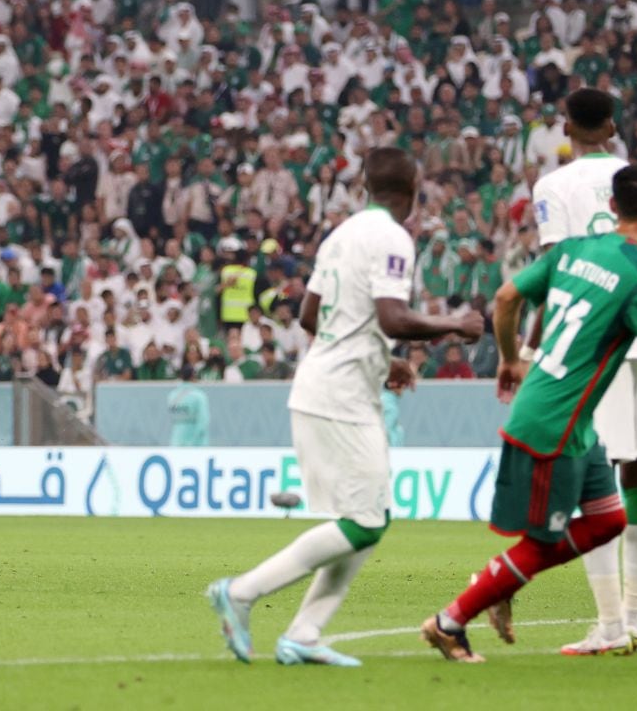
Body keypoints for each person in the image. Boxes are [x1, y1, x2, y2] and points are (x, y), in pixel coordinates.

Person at [421, 164, 637, 663]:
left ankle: (509, 589)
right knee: (541, 541)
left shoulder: (572, 248)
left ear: (612, 208)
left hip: (564, 413)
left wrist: (509, 358)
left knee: (607, 521)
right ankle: (452, 619)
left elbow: (505, 298)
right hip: (558, 422)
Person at [207, 148, 486, 668]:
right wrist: (454, 324)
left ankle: (304, 634)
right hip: (339, 397)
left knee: (369, 516)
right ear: (413, 189)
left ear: (365, 188)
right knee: (364, 523)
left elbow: (312, 316)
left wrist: (384, 363)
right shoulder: (392, 237)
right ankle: (242, 592)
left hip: (331, 386)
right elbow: (393, 316)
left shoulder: (341, 235)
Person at [528, 89, 637, 654]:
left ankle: (609, 624)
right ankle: (631, 620)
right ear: (611, 124)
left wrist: (538, 349)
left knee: (592, 479)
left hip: (589, 345)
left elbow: (556, 273)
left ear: (566, 126)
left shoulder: (552, 187)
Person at [167, 378, 209, 447]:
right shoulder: (198, 396)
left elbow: (172, 416)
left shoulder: (172, 395)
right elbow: (204, 420)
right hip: (195, 443)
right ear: (193, 376)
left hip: (176, 441)